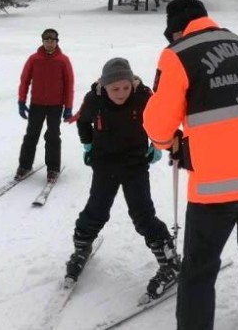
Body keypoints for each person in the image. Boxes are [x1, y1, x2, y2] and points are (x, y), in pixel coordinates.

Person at [144, 0, 238, 330]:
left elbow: (158, 125)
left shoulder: (178, 53)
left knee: (199, 268)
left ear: (176, 31)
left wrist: (167, 142)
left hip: (216, 186)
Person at [64, 57, 181, 297]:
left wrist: (156, 144)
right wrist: (88, 144)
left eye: (126, 87)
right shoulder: (94, 98)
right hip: (104, 163)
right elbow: (83, 122)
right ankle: (81, 248)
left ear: (132, 83)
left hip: (135, 163)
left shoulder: (143, 96)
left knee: (142, 214)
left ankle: (169, 260)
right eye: (115, 88)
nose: (121, 93)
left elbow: (158, 120)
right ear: (105, 85)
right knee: (96, 210)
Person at [15, 28, 75, 183]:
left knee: (53, 136)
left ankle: (53, 168)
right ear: (42, 41)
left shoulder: (63, 60)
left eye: (52, 41)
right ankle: (24, 166)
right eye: (47, 40)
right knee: (31, 135)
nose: (49, 43)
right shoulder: (34, 59)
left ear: (56, 42)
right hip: (37, 105)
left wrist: (68, 107)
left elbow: (69, 85)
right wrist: (21, 101)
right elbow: (25, 80)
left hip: (56, 106)